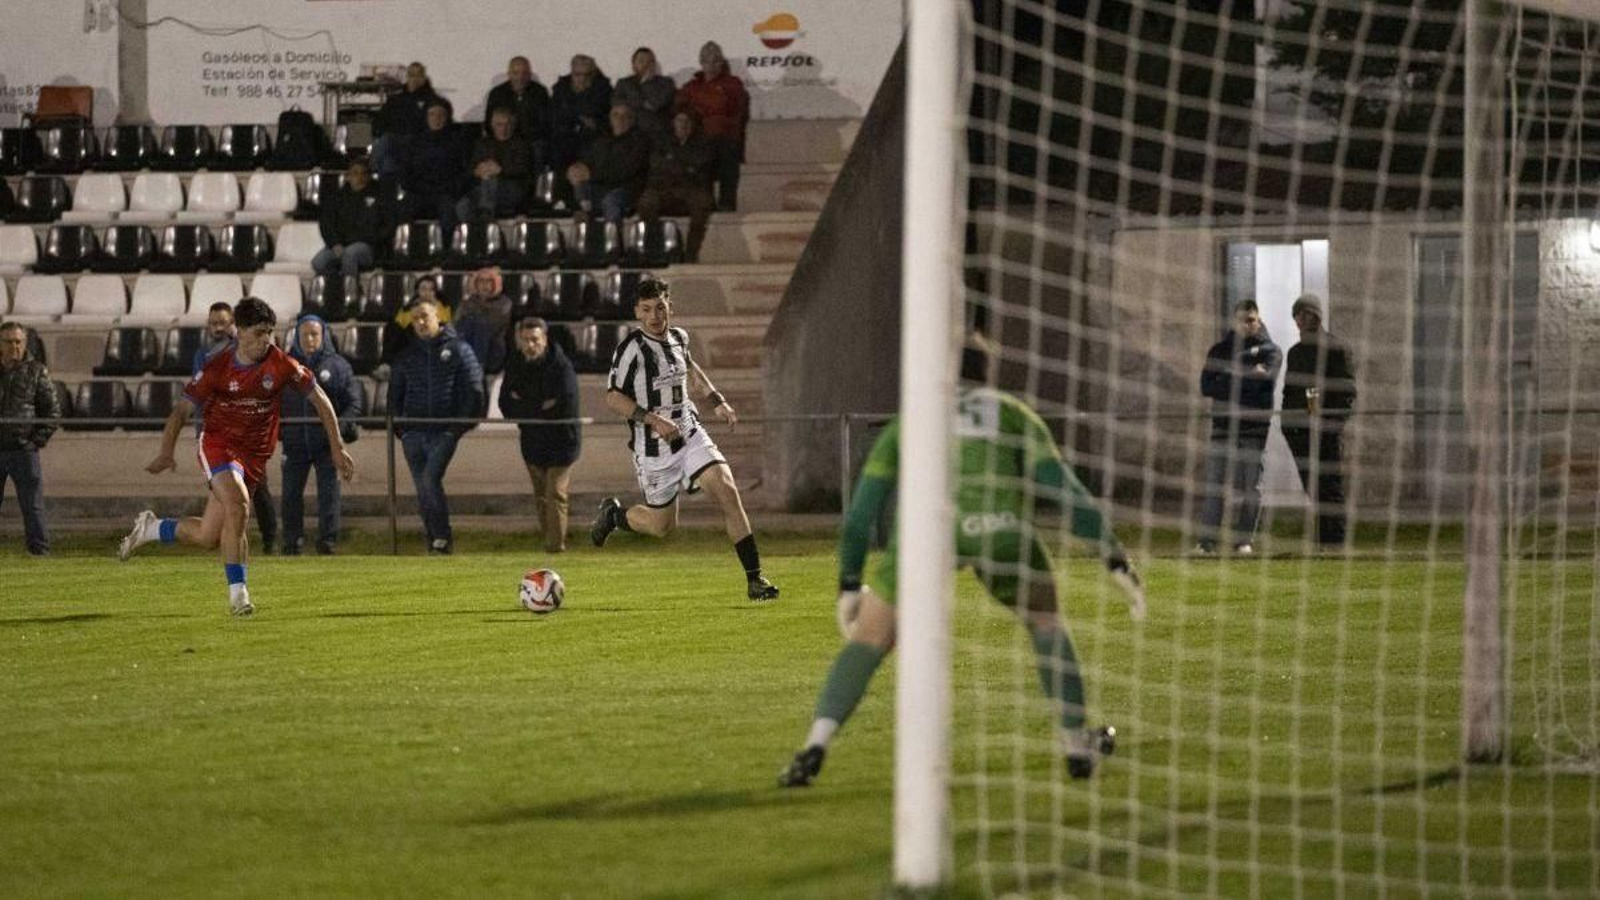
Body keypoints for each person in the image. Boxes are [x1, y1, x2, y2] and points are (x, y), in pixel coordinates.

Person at [778, 336, 1145, 788]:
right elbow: (1067, 492)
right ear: (987, 372)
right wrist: (1113, 558)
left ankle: (815, 745)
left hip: (927, 536)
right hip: (1003, 529)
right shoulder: (1013, 414)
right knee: (1046, 625)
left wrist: (850, 583)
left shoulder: (912, 420)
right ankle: (1075, 744)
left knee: (870, 639)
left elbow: (860, 513)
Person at [119, 297, 356, 616]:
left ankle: (151, 528)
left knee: (207, 537)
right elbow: (181, 411)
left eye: (270, 333)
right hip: (218, 443)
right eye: (259, 333)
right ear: (240, 332)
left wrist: (338, 446)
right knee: (239, 503)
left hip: (254, 455)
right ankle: (239, 595)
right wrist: (166, 451)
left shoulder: (281, 363)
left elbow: (321, 400)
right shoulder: (217, 367)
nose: (266, 340)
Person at [589, 276, 779, 600]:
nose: (654, 316)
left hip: (689, 433)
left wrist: (716, 400)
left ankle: (754, 579)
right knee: (662, 527)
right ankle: (615, 515)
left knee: (728, 490)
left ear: (670, 308)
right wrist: (651, 419)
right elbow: (612, 398)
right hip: (654, 450)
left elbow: (690, 369)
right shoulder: (631, 350)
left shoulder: (679, 337)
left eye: (660, 308)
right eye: (647, 309)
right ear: (637, 312)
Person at [388, 298, 485, 554]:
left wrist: (456, 428)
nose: (420, 322)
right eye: (416, 318)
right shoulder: (406, 354)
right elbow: (394, 395)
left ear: (438, 316)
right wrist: (402, 429)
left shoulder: (459, 350)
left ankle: (442, 537)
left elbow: (475, 392)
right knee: (423, 488)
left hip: (443, 433)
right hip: (413, 433)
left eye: (425, 316)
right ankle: (433, 540)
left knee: (430, 480)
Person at [1196, 299, 1282, 556]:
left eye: (1252, 319)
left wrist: (1229, 377)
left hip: (1253, 429)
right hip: (1223, 427)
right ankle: (1206, 542)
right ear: (1234, 321)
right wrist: (1246, 377)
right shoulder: (1219, 351)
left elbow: (1264, 386)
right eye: (1243, 320)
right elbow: (1206, 386)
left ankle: (1244, 540)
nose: (1248, 324)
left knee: (1250, 489)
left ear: (1259, 320)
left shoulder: (1271, 351)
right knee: (1215, 486)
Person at [195, 301, 279, 554]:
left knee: (214, 529)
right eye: (214, 323)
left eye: (223, 322)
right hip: (220, 439)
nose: (218, 327)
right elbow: (196, 397)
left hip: (250, 441)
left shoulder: (251, 349)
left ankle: (269, 542)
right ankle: (239, 583)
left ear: (235, 326)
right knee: (235, 506)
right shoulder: (206, 357)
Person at [279, 316, 363, 556]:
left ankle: (327, 543)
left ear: (323, 335)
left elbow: (354, 404)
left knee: (329, 496)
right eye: (304, 334)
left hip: (327, 446)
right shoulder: (285, 367)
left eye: (314, 334)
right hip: (294, 444)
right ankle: (291, 544)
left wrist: (337, 430)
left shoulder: (339, 366)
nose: (309, 339)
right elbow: (271, 401)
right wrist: (281, 431)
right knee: (290, 497)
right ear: (296, 337)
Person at [498, 317, 580, 553]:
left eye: (534, 339)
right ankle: (550, 541)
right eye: (525, 340)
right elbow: (505, 404)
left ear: (544, 340)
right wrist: (538, 408)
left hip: (562, 441)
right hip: (532, 442)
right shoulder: (514, 364)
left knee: (555, 493)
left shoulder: (561, 366)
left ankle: (555, 547)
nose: (530, 344)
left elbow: (562, 406)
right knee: (541, 497)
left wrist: (524, 407)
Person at [1281, 293, 1357, 549]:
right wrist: (1288, 425)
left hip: (1326, 429)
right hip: (1300, 431)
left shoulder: (1336, 348)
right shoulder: (1295, 353)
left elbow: (1346, 391)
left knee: (1329, 487)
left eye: (1306, 314)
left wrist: (1331, 422)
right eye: (1298, 315)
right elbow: (1290, 392)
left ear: (1317, 316)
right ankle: (1325, 542)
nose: (1301, 320)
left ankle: (1334, 543)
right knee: (1312, 486)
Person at [0, 321, 61, 556]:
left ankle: (40, 552)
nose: (14, 346)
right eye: (9, 342)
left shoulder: (37, 371)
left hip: (23, 451)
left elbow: (53, 412)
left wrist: (35, 441)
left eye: (18, 342)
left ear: (25, 343)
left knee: (32, 507)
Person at [676, 41, 749, 211]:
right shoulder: (692, 86)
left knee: (727, 164)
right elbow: (679, 108)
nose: (712, 64)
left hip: (726, 137)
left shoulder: (733, 83)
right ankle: (705, 205)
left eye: (717, 60)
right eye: (708, 60)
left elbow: (736, 111)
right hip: (701, 139)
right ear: (701, 62)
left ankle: (726, 205)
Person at [636, 110, 715, 263]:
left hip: (690, 188)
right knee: (645, 203)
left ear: (692, 125)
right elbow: (656, 165)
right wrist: (685, 167)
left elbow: (702, 165)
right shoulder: (662, 142)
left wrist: (672, 162)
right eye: (679, 120)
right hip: (664, 188)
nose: (683, 125)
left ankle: (691, 252)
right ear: (673, 123)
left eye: (687, 121)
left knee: (703, 203)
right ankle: (660, 247)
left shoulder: (702, 143)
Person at [567, 104, 650, 225]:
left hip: (626, 190)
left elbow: (626, 170)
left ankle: (613, 239)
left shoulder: (639, 141)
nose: (620, 119)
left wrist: (591, 174)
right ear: (610, 119)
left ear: (631, 121)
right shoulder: (602, 141)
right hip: (599, 188)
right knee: (578, 183)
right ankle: (587, 232)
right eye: (616, 115)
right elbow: (587, 162)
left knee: (610, 200)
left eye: (625, 116)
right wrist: (576, 169)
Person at [400, 97, 470, 235]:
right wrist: (417, 187)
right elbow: (405, 173)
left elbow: (464, 172)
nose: (436, 118)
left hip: (446, 192)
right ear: (426, 117)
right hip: (418, 192)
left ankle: (448, 252)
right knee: (401, 212)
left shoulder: (457, 141)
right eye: (432, 114)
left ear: (447, 117)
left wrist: (450, 189)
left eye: (441, 114)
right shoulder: (414, 142)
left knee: (449, 213)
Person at [312, 157, 393, 278]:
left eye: (363, 173)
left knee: (350, 254)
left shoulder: (380, 197)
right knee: (318, 262)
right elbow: (326, 223)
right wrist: (334, 243)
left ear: (369, 176)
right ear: (348, 176)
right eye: (355, 173)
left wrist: (370, 239)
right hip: (340, 245)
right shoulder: (337, 198)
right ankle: (336, 286)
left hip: (369, 247)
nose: (359, 177)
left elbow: (388, 225)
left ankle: (351, 291)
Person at [457, 108, 535, 224]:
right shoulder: (483, 144)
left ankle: (486, 214)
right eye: (499, 124)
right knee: (462, 205)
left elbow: (523, 170)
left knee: (491, 177)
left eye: (508, 124)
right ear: (493, 125)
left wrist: (500, 170)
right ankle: (474, 234)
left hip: (511, 189)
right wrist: (477, 171)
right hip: (484, 189)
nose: (504, 128)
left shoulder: (522, 145)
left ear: (513, 125)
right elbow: (471, 169)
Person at [371, 62, 441, 179]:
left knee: (387, 140)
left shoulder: (432, 100)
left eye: (418, 75)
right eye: (411, 75)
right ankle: (388, 194)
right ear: (407, 77)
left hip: (418, 142)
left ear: (424, 78)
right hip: (397, 144)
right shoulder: (395, 100)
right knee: (388, 162)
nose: (414, 79)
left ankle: (371, 166)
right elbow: (380, 121)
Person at [548, 54, 613, 177]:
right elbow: (552, 116)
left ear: (593, 74)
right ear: (572, 73)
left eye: (587, 75)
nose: (582, 79)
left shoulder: (604, 91)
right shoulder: (561, 89)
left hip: (591, 141)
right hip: (564, 139)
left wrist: (595, 124)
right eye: (578, 74)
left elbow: (610, 120)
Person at [454, 267, 513, 376]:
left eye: (489, 281)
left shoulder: (504, 303)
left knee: (480, 325)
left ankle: (474, 367)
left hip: (493, 352)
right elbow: (458, 326)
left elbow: (493, 324)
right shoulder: (467, 303)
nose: (484, 285)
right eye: (481, 281)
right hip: (469, 345)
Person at [483, 55, 550, 150]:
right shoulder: (497, 93)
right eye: (516, 73)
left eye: (525, 73)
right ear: (509, 74)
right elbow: (489, 124)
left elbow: (545, 123)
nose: (520, 77)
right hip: (504, 142)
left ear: (530, 74)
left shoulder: (540, 92)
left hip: (531, 143)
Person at [612, 47, 676, 141]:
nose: (646, 64)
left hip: (657, 132)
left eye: (650, 61)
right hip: (630, 130)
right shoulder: (624, 83)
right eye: (641, 61)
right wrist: (643, 103)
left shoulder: (666, 83)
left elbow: (655, 104)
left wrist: (647, 83)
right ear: (633, 65)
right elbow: (617, 103)